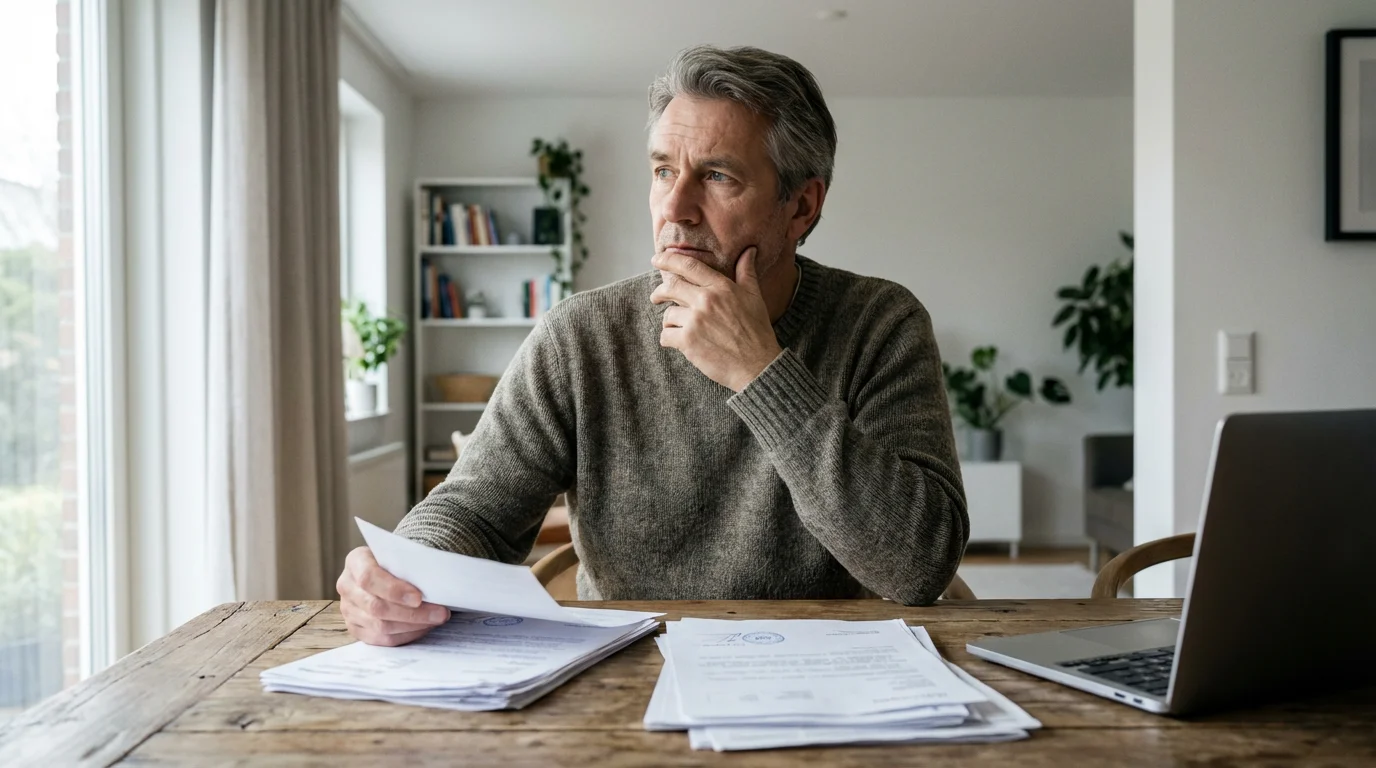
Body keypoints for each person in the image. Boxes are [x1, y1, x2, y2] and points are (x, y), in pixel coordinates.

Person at [337, 45, 967, 647]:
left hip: (828, 674)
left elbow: (917, 565)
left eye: (717, 176)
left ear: (800, 206)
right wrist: (400, 573)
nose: (675, 206)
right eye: (664, 169)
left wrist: (761, 372)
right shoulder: (581, 336)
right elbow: (475, 509)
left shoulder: (880, 323)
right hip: (628, 670)